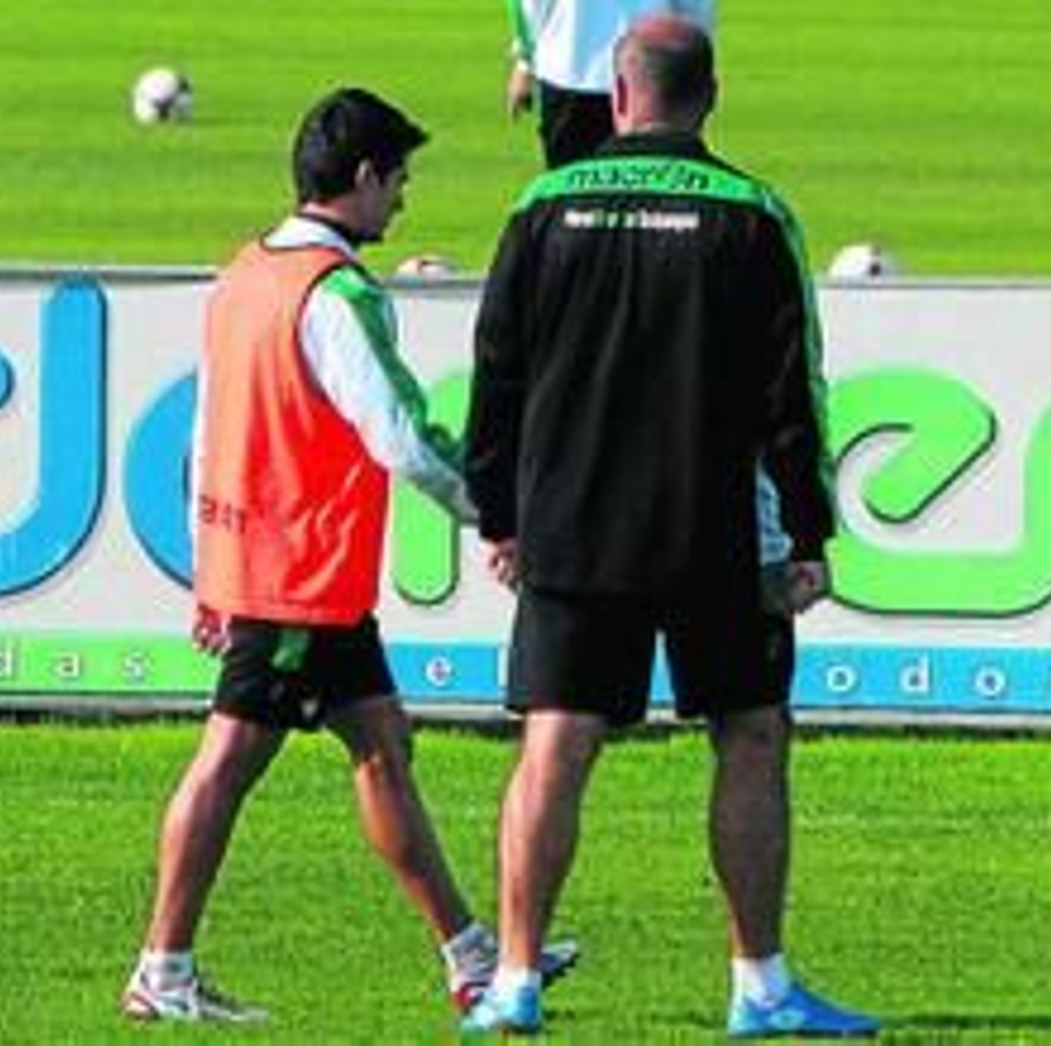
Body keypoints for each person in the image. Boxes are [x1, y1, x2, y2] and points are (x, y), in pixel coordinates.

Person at [462, 15, 880, 1038]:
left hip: (571, 523)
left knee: (554, 742)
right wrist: (811, 533)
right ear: (712, 95)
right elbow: (794, 392)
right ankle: (759, 982)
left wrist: (501, 513)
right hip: (712, 527)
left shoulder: (541, 207)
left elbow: (496, 374)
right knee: (747, 733)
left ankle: (513, 979)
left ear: (615, 95)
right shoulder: (750, 213)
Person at [119, 86, 575, 1024]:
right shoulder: (336, 295)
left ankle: (471, 955)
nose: (401, 201)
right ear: (363, 179)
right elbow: (402, 436)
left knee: (382, 750)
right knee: (229, 761)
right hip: (299, 575)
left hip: (275, 567)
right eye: (397, 180)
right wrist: (496, 519)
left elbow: (209, 435)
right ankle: (161, 969)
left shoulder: (245, 274)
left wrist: (212, 571)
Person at [505, 0, 715, 168]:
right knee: (654, 195)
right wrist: (695, 64)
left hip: (571, 69)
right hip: (652, 72)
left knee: (572, 200)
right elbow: (696, 8)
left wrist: (525, 62)